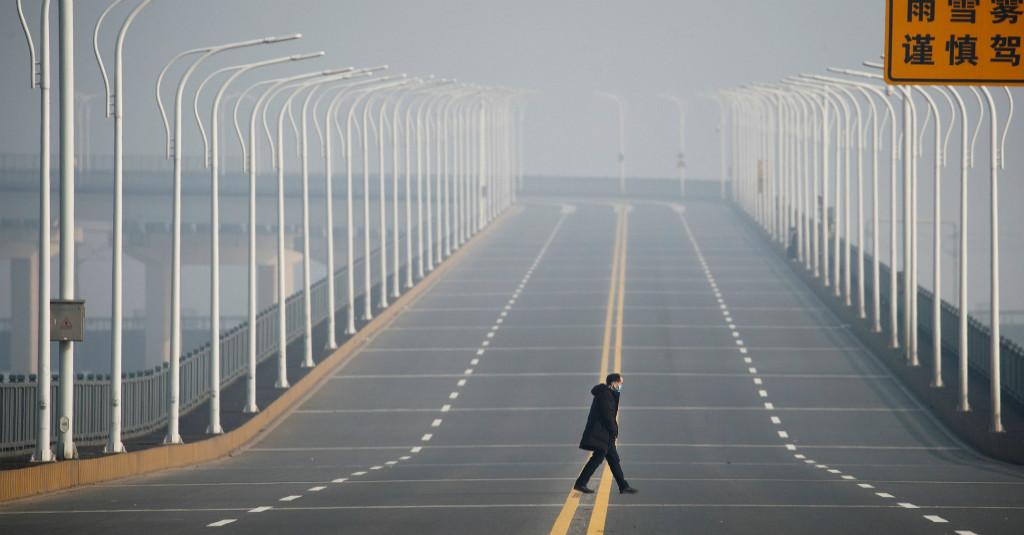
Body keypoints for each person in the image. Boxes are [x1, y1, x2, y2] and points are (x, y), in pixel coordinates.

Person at [573, 372, 637, 494]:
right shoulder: (605, 395)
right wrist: (613, 430)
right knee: (598, 458)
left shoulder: (609, 394)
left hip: (604, 433)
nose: (621, 386)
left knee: (613, 459)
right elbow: (607, 416)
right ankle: (580, 483)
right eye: (620, 383)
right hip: (601, 433)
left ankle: (623, 485)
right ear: (614, 383)